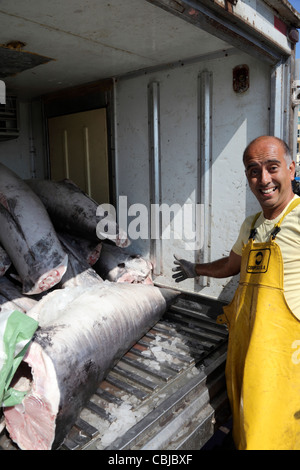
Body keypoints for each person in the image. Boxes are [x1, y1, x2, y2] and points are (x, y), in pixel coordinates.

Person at [173, 135, 300, 450]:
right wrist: (196, 269)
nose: (264, 179)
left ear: (291, 168)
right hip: (246, 349)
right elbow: (232, 265)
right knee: (247, 425)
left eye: (272, 167)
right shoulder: (252, 225)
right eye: (254, 171)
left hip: (287, 359)